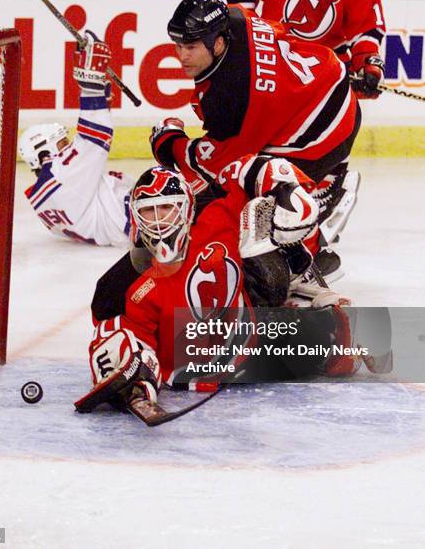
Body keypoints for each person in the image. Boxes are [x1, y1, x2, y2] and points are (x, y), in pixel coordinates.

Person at [75, 160, 377, 414]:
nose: (157, 221)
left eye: (166, 208)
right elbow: (129, 336)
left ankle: (301, 289)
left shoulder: (220, 217)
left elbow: (252, 170)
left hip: (253, 342)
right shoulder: (129, 286)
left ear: (186, 208)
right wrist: (131, 373)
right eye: (149, 211)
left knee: (258, 223)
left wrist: (290, 191)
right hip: (199, 372)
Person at [151, 0, 363, 280]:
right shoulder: (235, 17)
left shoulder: (232, 96)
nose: (181, 56)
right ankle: (323, 176)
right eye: (178, 45)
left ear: (218, 42)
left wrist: (168, 143)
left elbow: (213, 162)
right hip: (328, 77)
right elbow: (280, 31)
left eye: (190, 47)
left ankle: (314, 244)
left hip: (324, 131)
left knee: (239, 188)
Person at [224, 0, 387, 249]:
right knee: (264, 147)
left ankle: (324, 194)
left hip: (323, 78)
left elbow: (366, 28)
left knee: (334, 130)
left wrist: (368, 65)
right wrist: (248, 32)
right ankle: (261, 215)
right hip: (273, 68)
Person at [19, 31, 134, 246]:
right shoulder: (61, 177)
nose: (70, 146)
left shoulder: (47, 199)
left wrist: (99, 98)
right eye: (62, 143)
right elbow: (94, 138)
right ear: (44, 153)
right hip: (148, 223)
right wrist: (91, 86)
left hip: (132, 226)